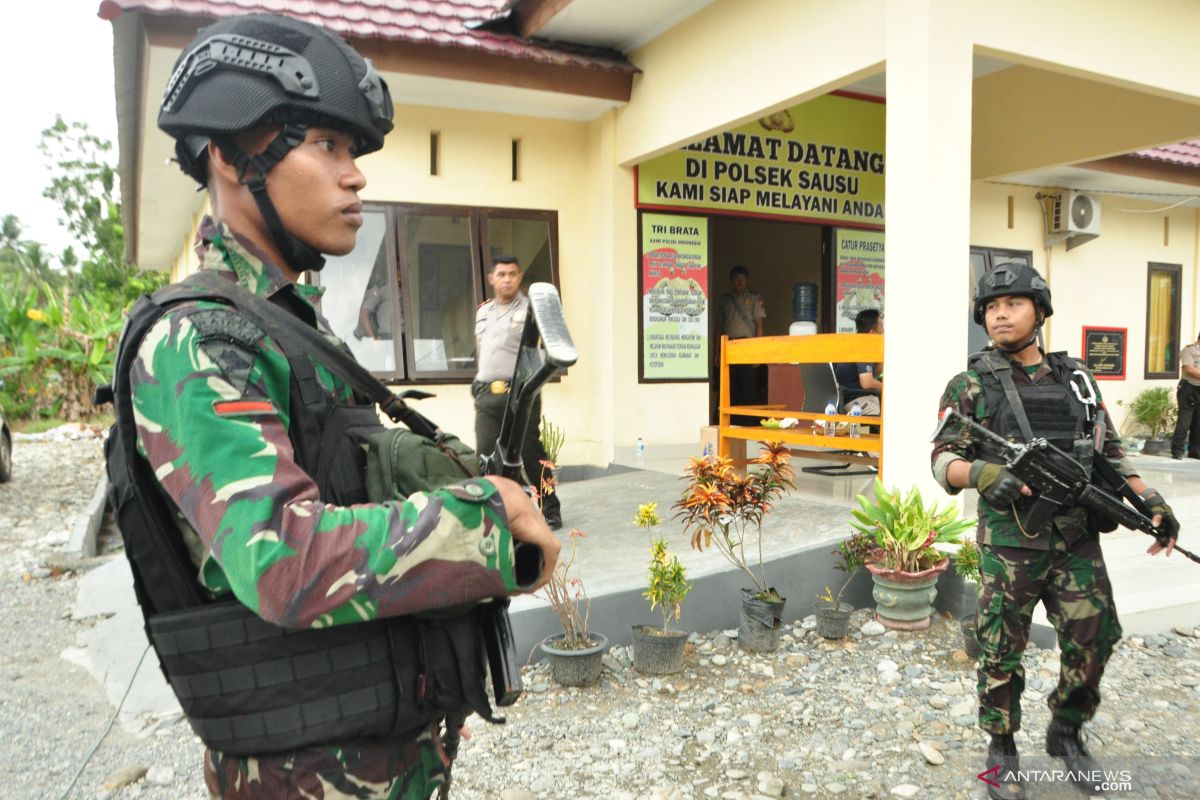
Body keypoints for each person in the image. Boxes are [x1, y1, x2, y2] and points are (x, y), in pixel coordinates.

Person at [114, 14, 559, 799]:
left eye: (352, 151)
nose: (354, 176)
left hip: (381, 752)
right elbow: (283, 558)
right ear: (228, 154)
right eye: (325, 143)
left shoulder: (288, 326)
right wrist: (487, 519)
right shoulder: (199, 340)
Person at [930, 262, 1179, 800]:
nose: (1001, 313)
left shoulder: (1079, 379)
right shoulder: (971, 383)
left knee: (1096, 637)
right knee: (1000, 649)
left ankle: (1066, 731)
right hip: (1011, 544)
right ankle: (1001, 745)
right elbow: (942, 457)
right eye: (992, 307)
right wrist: (979, 473)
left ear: (1040, 312)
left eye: (1014, 303)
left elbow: (1109, 452)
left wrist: (1151, 501)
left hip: (1076, 540)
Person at [473, 255, 563, 530]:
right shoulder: (483, 312)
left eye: (512, 273)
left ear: (520, 277)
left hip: (520, 395)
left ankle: (550, 507)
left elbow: (545, 349)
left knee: (530, 451)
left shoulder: (531, 311)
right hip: (487, 397)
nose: (507, 279)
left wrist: (531, 384)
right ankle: (494, 511)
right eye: (501, 274)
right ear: (491, 278)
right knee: (485, 456)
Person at [719, 265, 766, 423]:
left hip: (748, 346)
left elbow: (759, 325)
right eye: (736, 279)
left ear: (747, 280)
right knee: (730, 388)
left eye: (743, 278)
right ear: (731, 281)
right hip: (729, 346)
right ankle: (730, 422)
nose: (740, 282)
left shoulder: (754, 299)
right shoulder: (725, 300)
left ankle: (749, 423)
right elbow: (718, 327)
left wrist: (758, 353)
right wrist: (717, 352)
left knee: (748, 388)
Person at [834, 308, 883, 415]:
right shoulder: (862, 347)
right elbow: (867, 383)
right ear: (872, 333)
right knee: (892, 409)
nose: (883, 331)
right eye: (881, 326)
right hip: (853, 401)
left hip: (847, 399)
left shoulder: (855, 342)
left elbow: (870, 374)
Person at [1171, 331, 1200, 459]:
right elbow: (1189, 369)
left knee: (1198, 423)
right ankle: (1177, 451)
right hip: (1189, 389)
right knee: (1184, 421)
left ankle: (1195, 451)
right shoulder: (1188, 350)